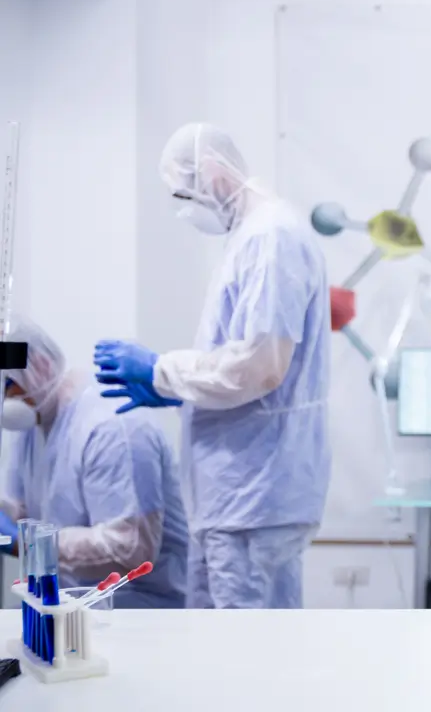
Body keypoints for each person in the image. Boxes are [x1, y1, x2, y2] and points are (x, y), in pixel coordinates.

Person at [93, 122, 331, 609]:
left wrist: (163, 370)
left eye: (185, 191)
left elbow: (262, 367)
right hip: (238, 493)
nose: (186, 207)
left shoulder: (272, 238)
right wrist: (177, 390)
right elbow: (245, 360)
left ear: (213, 171)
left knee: (244, 653)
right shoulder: (252, 236)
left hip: (254, 492)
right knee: (217, 640)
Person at [0, 316, 188, 608]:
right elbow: (17, 513)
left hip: (138, 610)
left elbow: (128, 549)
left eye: (5, 385)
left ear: (38, 367)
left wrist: (32, 546)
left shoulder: (111, 426)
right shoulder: (33, 425)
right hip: (72, 606)